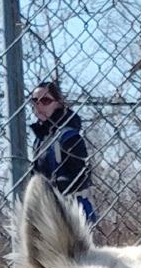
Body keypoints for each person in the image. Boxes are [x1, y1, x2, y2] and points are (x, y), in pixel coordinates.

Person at [29, 81, 96, 224]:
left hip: (71, 213)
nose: (39, 105)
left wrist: (59, 186)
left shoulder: (69, 136)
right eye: (34, 101)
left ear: (58, 104)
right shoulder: (40, 139)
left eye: (45, 100)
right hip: (46, 212)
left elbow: (82, 176)